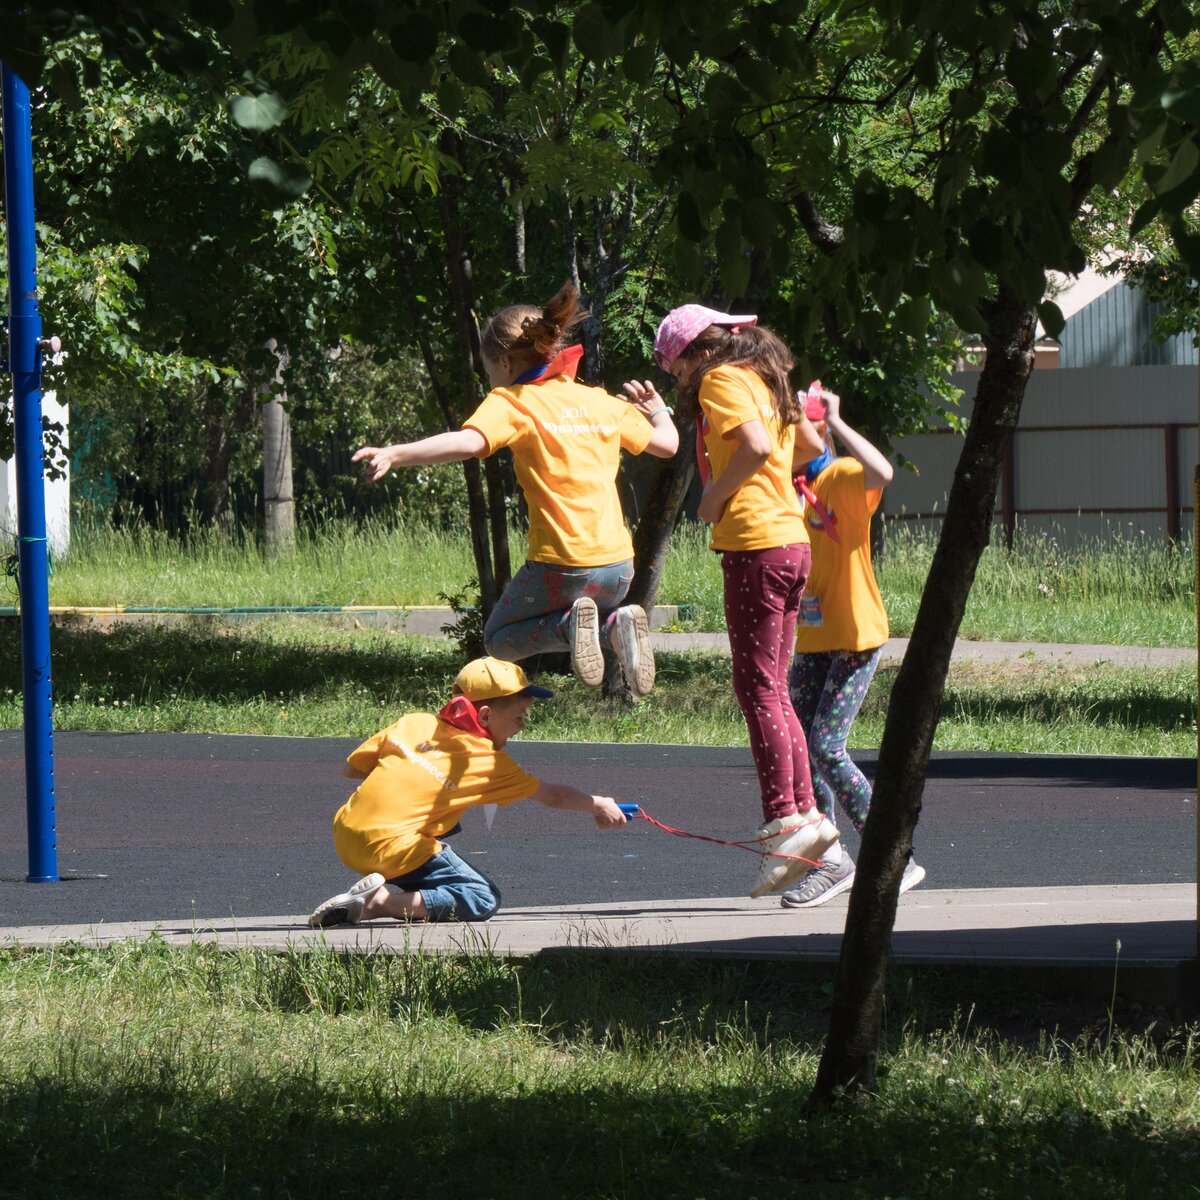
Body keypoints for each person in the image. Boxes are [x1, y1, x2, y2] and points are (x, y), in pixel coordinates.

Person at [353, 281, 679, 698]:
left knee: (499, 638)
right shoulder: (598, 401)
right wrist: (658, 411)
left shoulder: (513, 401)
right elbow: (668, 446)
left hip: (561, 566)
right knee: (594, 617)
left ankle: (571, 626)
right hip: (617, 567)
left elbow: (468, 443)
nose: (491, 381)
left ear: (505, 363)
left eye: (489, 372)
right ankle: (614, 625)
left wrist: (397, 453)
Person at [652, 304, 839, 899]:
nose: (676, 379)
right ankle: (806, 818)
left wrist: (713, 501)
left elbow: (757, 446)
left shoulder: (720, 378)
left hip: (756, 544)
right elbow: (809, 445)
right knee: (775, 689)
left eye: (673, 365)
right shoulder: (765, 377)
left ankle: (785, 820)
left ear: (694, 351)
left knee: (757, 689)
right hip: (791, 541)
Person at [307, 656, 629, 928]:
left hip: (345, 835)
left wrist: (417, 769)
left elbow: (353, 770)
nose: (522, 727)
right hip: (392, 847)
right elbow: (552, 796)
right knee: (480, 897)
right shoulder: (488, 762)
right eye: (518, 717)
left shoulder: (413, 723)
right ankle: (379, 904)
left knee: (442, 825)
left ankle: (390, 893)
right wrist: (599, 805)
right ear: (486, 716)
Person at [781, 385, 925, 908]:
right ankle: (829, 862)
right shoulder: (784, 487)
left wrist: (836, 421)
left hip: (857, 635)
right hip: (814, 639)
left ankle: (895, 857)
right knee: (798, 746)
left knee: (824, 746)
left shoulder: (837, 477)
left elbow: (882, 474)